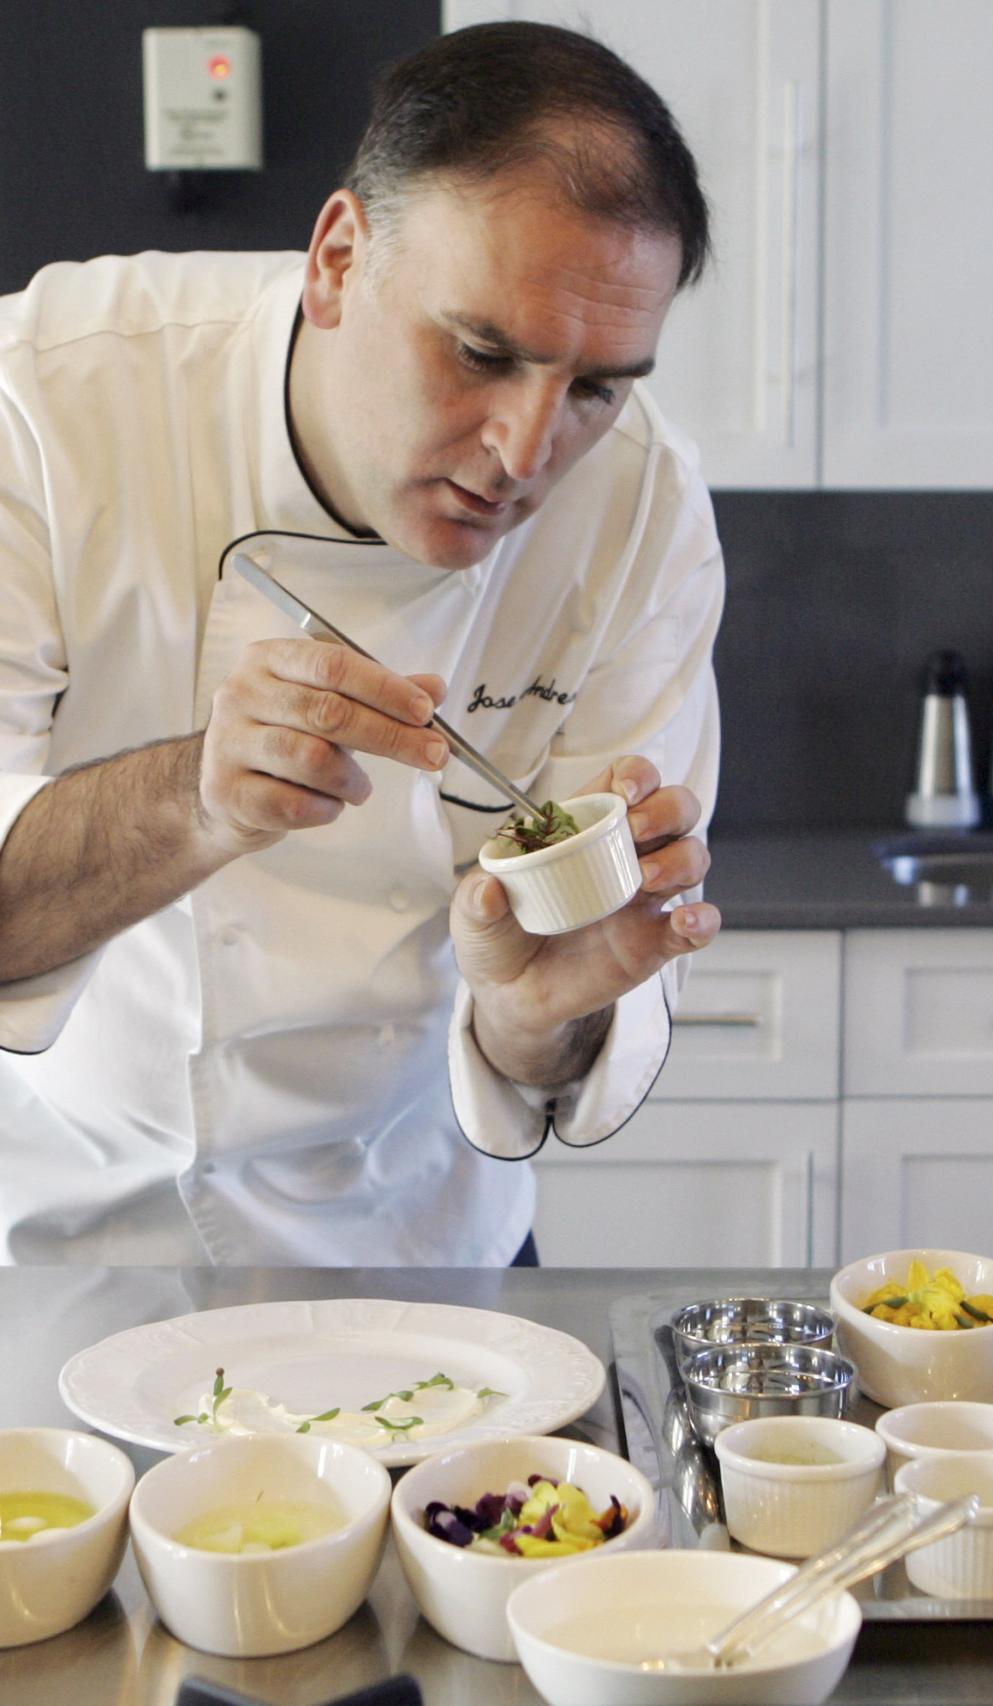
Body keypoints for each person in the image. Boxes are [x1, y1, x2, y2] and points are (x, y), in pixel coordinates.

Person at [0, 22, 724, 1265]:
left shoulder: (642, 509)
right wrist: (199, 800)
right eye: (481, 353)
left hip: (418, 1239)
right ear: (338, 260)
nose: (525, 451)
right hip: (57, 1235)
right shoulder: (47, 402)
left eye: (597, 386)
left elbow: (545, 1037)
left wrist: (534, 1009)